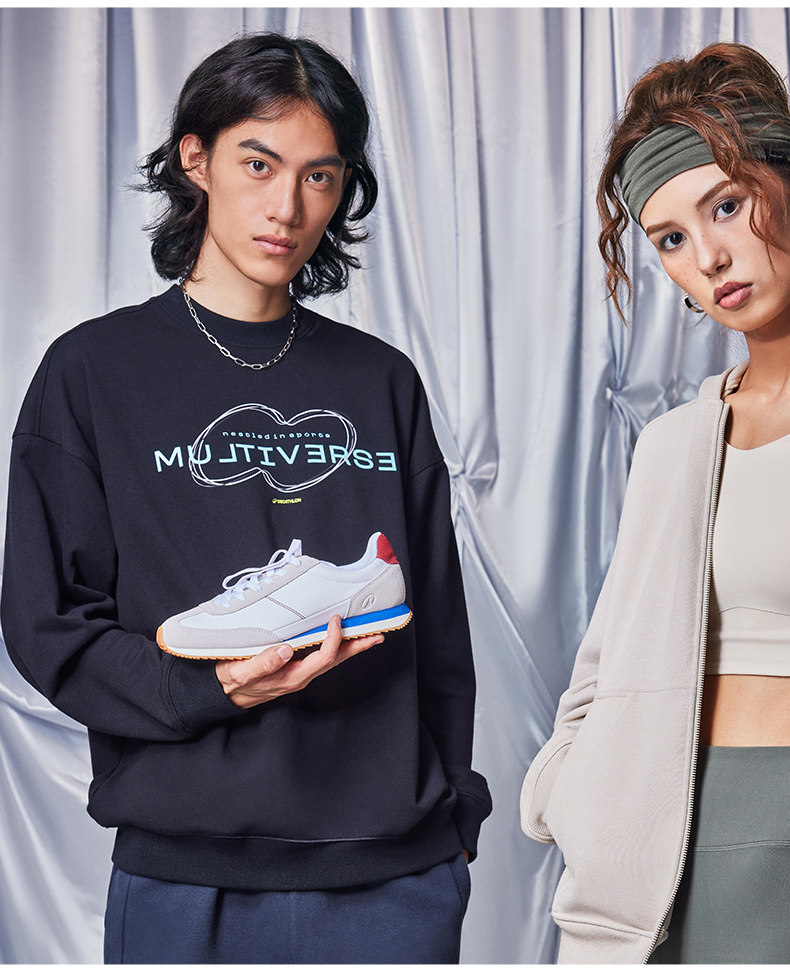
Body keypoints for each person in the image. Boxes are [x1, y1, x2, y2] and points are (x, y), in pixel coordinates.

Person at [1, 32, 491, 964]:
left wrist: (456, 813)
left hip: (396, 877)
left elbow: (438, 626)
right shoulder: (93, 371)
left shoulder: (381, 379)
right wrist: (209, 687)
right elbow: (47, 621)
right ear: (197, 158)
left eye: (319, 176)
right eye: (259, 164)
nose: (287, 207)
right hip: (186, 877)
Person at [520, 41, 790, 964]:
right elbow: (605, 664)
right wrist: (568, 791)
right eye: (670, 238)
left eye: (727, 204)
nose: (709, 257)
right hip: (659, 853)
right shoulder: (676, 444)